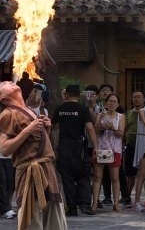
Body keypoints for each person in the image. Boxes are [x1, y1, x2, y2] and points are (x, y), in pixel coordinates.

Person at [0, 81, 66, 230]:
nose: (10, 83)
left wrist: (47, 129)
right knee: (33, 221)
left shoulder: (29, 110)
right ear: (1, 98)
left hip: (47, 169)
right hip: (29, 174)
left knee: (54, 221)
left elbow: (36, 144)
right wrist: (28, 130)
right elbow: (5, 149)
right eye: (4, 84)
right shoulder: (8, 114)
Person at [51, 84, 96, 216]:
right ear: (78, 94)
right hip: (79, 147)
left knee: (67, 178)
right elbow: (90, 128)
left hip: (64, 147)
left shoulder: (59, 109)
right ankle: (85, 205)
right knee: (83, 176)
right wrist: (96, 146)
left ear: (67, 94)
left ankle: (72, 208)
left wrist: (50, 144)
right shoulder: (83, 109)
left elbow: (51, 126)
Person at [91, 93, 125, 213]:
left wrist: (113, 128)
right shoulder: (100, 114)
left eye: (114, 101)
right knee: (97, 176)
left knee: (114, 177)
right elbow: (94, 130)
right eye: (110, 101)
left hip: (114, 149)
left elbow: (120, 134)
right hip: (101, 148)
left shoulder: (120, 117)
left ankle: (116, 203)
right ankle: (95, 202)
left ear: (118, 104)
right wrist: (100, 124)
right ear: (106, 103)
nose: (112, 103)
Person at [0, 130, 16, 219]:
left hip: (10, 157)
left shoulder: (12, 125)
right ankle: (6, 209)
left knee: (10, 183)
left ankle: (2, 209)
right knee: (1, 183)